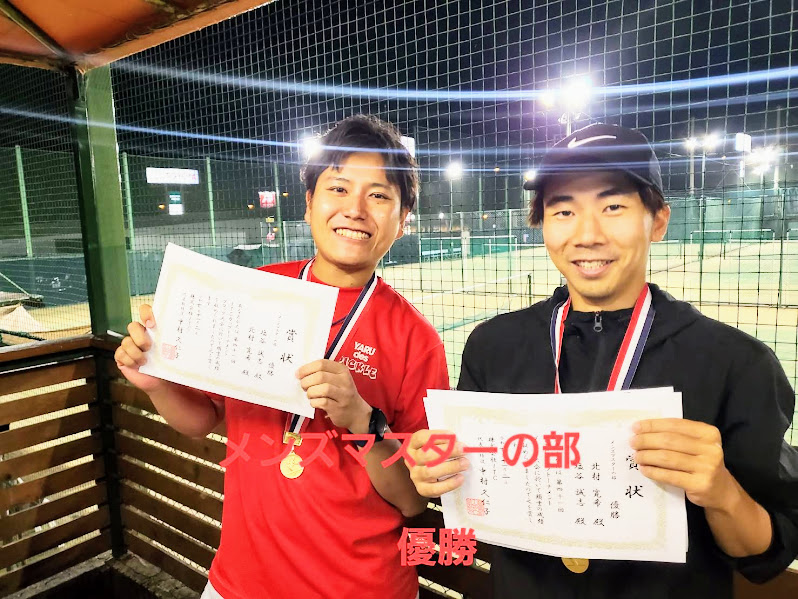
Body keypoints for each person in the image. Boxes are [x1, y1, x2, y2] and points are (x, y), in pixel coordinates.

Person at [407, 123, 798, 598]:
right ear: (543, 224)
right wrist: (438, 472)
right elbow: (467, 496)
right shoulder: (493, 346)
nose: (587, 234)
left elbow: (763, 556)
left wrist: (721, 492)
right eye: (564, 210)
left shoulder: (736, 363)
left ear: (658, 220)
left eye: (613, 207)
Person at [115, 115, 449, 599]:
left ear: (402, 220)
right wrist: (156, 382)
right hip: (240, 582)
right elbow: (201, 418)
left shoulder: (417, 339)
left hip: (362, 588)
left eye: (378, 195)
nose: (355, 209)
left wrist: (361, 419)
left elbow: (413, 500)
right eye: (338, 188)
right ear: (309, 203)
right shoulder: (256, 291)